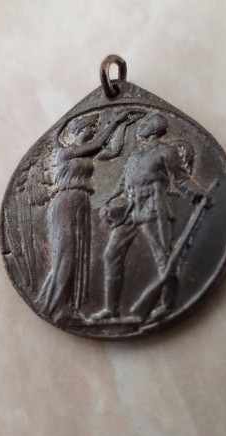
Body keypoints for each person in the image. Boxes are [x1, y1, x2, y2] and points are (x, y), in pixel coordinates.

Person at [90, 114, 210, 322]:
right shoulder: (136, 154)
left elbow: (181, 179)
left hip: (153, 205)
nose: (141, 126)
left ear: (154, 129)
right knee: (111, 255)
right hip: (130, 207)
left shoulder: (166, 151)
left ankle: (167, 306)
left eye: (145, 124)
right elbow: (122, 183)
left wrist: (199, 193)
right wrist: (105, 200)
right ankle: (111, 309)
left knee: (163, 256)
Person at [39, 109, 132, 320]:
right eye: (92, 127)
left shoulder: (87, 154)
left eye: (95, 128)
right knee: (67, 254)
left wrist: (124, 126)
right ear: (81, 129)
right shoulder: (67, 152)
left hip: (81, 201)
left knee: (77, 254)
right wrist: (114, 121)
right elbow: (98, 144)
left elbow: (114, 150)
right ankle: (56, 306)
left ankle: (67, 306)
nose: (94, 130)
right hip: (66, 201)